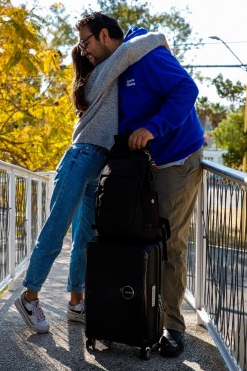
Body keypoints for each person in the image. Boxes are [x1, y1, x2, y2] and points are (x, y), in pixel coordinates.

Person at [14, 31, 169, 334]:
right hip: (80, 159)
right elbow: (128, 51)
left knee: (85, 238)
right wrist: (160, 36)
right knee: (56, 228)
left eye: (88, 45)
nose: (88, 50)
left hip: (97, 164)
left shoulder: (100, 77)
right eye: (85, 47)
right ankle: (29, 297)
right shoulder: (101, 73)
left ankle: (76, 303)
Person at [75, 12, 205, 357]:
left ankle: (172, 326)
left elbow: (187, 89)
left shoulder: (146, 56)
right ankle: (133, 315)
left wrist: (153, 128)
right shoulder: (117, 66)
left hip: (176, 160)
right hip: (142, 165)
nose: (83, 50)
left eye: (86, 42)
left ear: (105, 35)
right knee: (131, 235)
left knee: (169, 241)